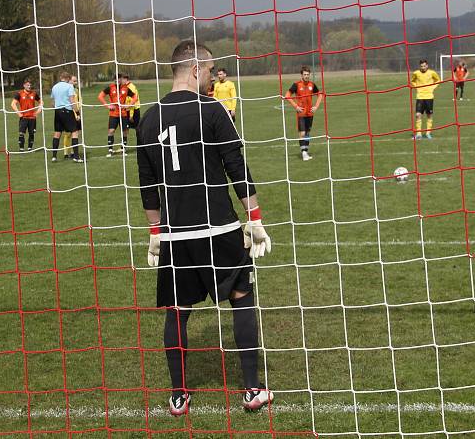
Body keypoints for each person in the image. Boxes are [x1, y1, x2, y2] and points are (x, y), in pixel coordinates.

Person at [137, 39, 273, 417]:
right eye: (211, 71)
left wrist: (155, 235)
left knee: (177, 310)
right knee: (241, 297)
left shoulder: (148, 119)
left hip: (177, 235)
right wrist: (255, 218)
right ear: (196, 69)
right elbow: (237, 168)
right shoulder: (212, 109)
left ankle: (179, 396)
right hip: (219, 229)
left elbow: (148, 187)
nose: (213, 78)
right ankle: (252, 390)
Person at [284, 66, 323, 161]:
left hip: (310, 113)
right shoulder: (296, 85)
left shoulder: (312, 85)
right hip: (301, 113)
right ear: (301, 75)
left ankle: (306, 151)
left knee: (308, 133)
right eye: (304, 74)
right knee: (302, 133)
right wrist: (296, 106)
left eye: (308, 75)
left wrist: (316, 106)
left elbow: (320, 94)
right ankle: (304, 153)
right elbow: (287, 95)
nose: (306, 76)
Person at [98, 73, 134, 156]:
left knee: (124, 131)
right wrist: (107, 105)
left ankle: (123, 149)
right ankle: (110, 150)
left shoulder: (126, 88)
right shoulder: (110, 87)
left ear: (121, 79)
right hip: (113, 114)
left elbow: (135, 97)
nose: (118, 80)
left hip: (123, 114)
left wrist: (129, 104)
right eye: (116, 79)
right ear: (114, 80)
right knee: (111, 131)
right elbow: (100, 96)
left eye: (119, 79)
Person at [50, 71, 82, 162]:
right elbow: (72, 101)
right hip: (67, 111)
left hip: (57, 112)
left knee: (57, 133)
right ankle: (76, 157)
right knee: (75, 132)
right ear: (68, 79)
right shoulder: (69, 86)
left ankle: (54, 157)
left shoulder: (54, 87)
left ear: (61, 78)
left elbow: (52, 102)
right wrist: (77, 113)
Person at [410, 59, 440, 140]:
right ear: (419, 66)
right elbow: (412, 81)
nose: (423, 68)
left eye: (424, 66)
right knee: (418, 115)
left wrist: (433, 88)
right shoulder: (416, 73)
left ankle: (428, 133)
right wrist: (416, 87)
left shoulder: (432, 72)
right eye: (421, 66)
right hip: (420, 97)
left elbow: (438, 80)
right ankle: (418, 134)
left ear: (427, 65)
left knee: (429, 115)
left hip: (429, 97)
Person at [11, 78, 42, 151]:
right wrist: (19, 113)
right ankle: (21, 148)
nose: (29, 86)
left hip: (32, 118)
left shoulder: (34, 94)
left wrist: (37, 112)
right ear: (24, 85)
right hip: (24, 118)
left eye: (30, 85)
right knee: (21, 133)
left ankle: (30, 148)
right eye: (27, 85)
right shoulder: (19, 94)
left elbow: (41, 102)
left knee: (31, 133)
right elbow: (13, 104)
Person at [63, 75, 82, 159]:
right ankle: (66, 152)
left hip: (76, 113)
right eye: (74, 81)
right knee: (68, 134)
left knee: (76, 133)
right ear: (69, 81)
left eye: (76, 81)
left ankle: (73, 152)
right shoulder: (66, 90)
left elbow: (79, 101)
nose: (76, 82)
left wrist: (78, 112)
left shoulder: (77, 90)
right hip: (69, 114)